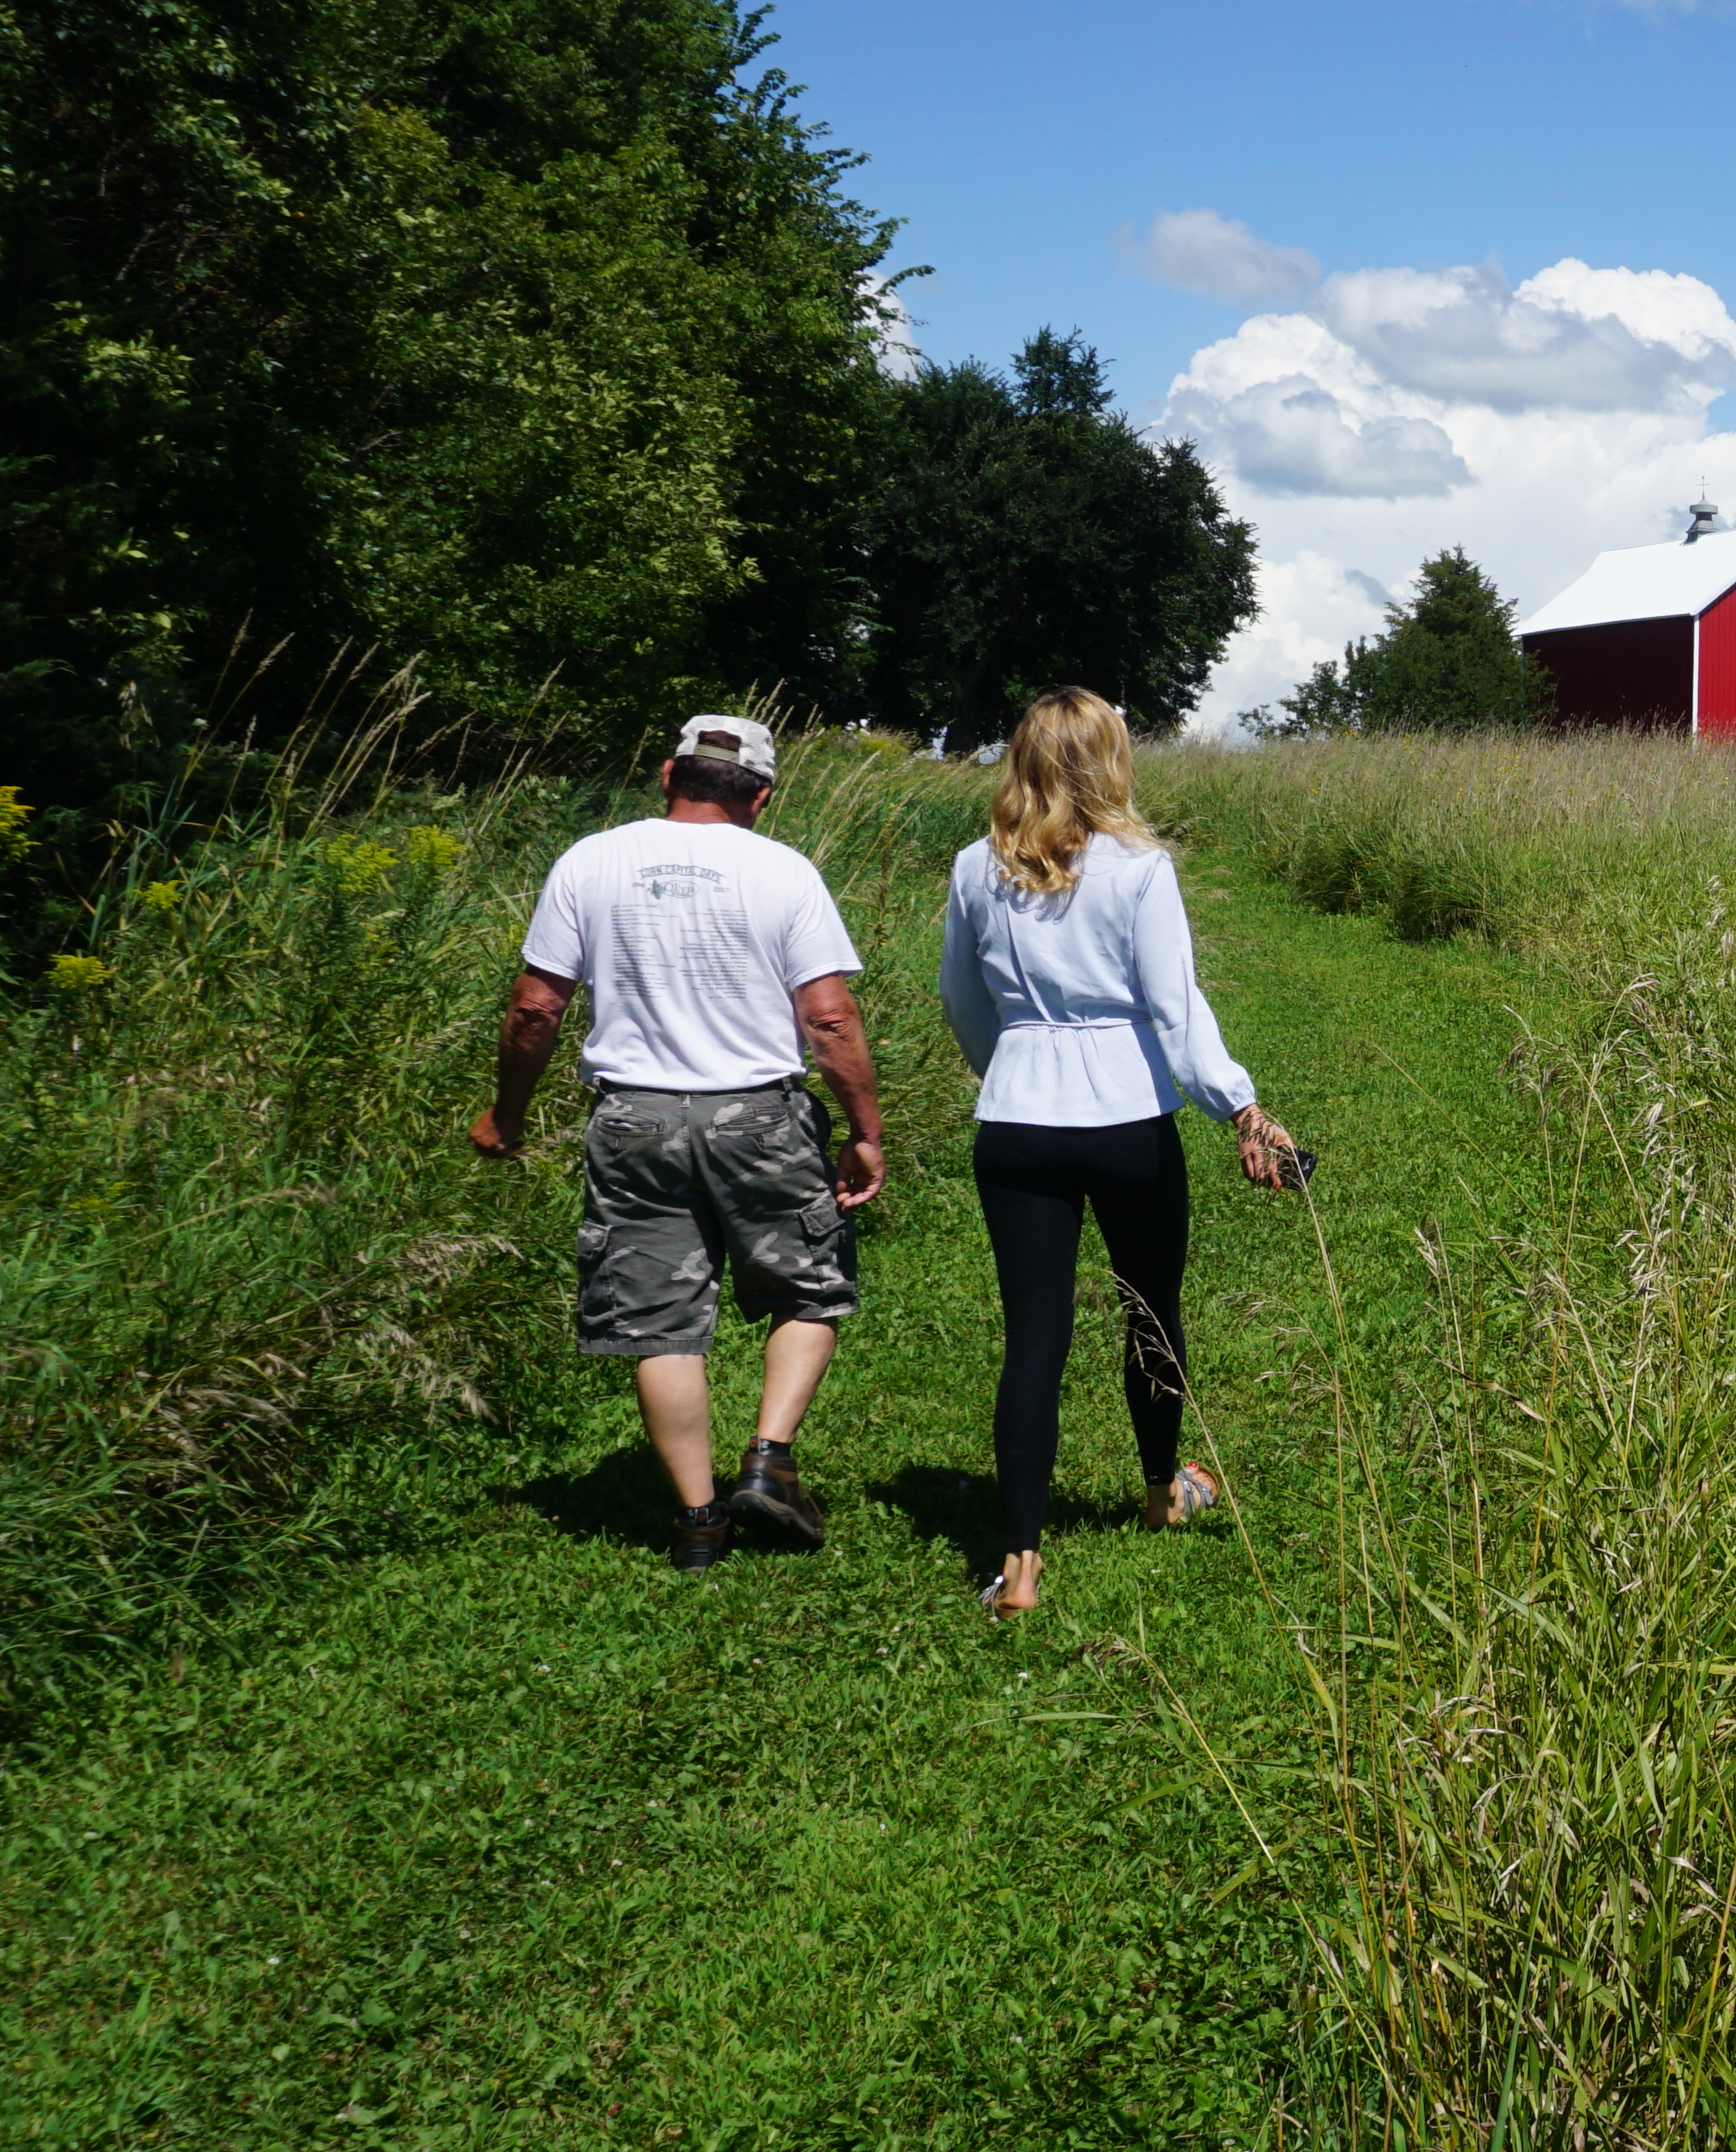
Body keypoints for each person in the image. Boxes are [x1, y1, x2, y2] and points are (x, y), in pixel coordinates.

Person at [474, 712, 884, 1572]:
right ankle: (768, 1458)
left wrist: (506, 1115)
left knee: (661, 1320)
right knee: (808, 1286)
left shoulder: (590, 861)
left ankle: (698, 1520)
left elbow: (536, 1007)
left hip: (634, 1118)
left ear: (667, 775)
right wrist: (864, 1131)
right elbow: (830, 1016)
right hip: (759, 1116)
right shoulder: (786, 871)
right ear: (762, 797)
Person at [939, 690, 1297, 1616]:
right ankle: (1157, 1494)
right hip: (1128, 1118)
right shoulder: (1140, 868)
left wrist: (1012, 1067)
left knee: (1034, 1338)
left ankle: (1019, 1566)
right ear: (1110, 760)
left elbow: (963, 1002)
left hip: (1016, 1119)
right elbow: (1176, 1011)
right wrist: (1241, 1109)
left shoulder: (977, 868)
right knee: (1149, 1307)